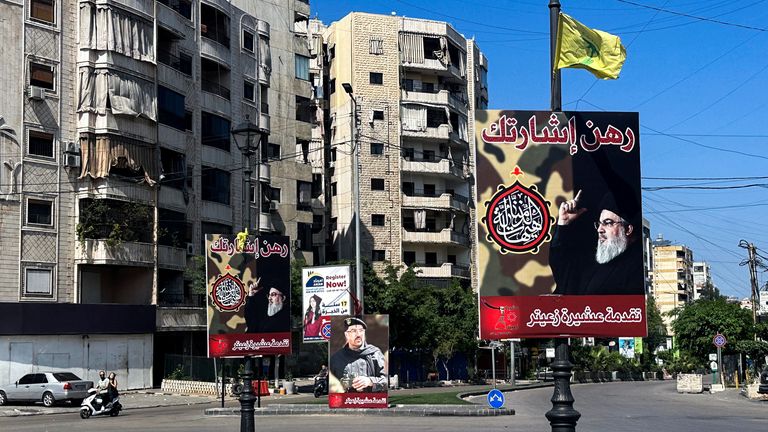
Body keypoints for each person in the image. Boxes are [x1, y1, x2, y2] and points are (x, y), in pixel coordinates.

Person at [549, 189, 644, 295]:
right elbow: (563, 270)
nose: (600, 229)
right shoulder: (596, 259)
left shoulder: (637, 266)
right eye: (599, 224)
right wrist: (563, 224)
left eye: (608, 223)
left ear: (628, 230)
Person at [329, 317, 386, 393]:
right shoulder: (336, 359)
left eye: (361, 330)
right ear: (346, 335)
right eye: (353, 331)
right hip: (346, 402)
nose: (358, 334)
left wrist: (370, 381)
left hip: (370, 401)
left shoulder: (375, 353)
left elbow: (386, 381)